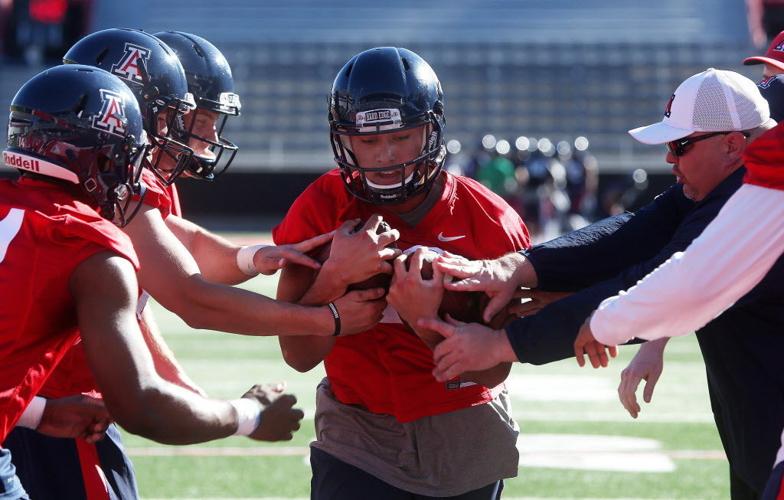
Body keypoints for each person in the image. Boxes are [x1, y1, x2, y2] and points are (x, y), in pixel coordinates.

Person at [4, 28, 386, 500]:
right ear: (127, 115)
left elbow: (160, 273)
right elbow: (189, 297)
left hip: (40, 408)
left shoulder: (73, 205)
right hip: (52, 408)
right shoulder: (98, 220)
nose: (203, 134)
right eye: (185, 115)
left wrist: (253, 258)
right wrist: (322, 319)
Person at [417, 68, 781, 500]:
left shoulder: (758, 192)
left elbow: (668, 285)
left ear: (733, 144)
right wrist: (521, 266)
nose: (669, 159)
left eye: (680, 145)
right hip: (756, 425)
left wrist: (508, 343)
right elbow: (634, 233)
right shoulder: (736, 179)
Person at [272, 47, 530, 498]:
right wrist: (334, 275)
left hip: (463, 429)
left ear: (431, 130)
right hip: (356, 433)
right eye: (368, 142)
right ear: (344, 139)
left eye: (402, 137)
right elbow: (297, 354)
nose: (385, 157)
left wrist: (427, 323)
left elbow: (493, 373)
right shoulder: (321, 207)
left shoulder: (488, 219)